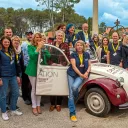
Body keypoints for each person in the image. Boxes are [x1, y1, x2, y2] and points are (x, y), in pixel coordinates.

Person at [67, 40, 91, 122]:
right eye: (77, 45)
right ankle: (72, 113)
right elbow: (73, 66)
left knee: (74, 87)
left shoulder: (87, 54)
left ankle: (75, 98)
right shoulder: (73, 54)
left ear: (83, 46)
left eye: (81, 45)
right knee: (71, 92)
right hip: (72, 74)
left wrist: (87, 72)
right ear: (76, 47)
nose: (79, 46)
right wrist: (82, 75)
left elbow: (90, 65)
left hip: (82, 74)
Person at [0, 36, 23, 121]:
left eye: (8, 42)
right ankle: (4, 112)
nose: (7, 43)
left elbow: (16, 64)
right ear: (2, 43)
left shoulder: (12, 51)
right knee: (3, 95)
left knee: (16, 93)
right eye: (5, 42)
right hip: (3, 77)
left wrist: (17, 75)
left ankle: (13, 109)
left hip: (13, 76)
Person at [49, 30, 70, 112]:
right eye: (58, 35)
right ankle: (52, 104)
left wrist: (63, 64)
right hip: (53, 67)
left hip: (61, 68)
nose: (60, 37)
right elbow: (47, 56)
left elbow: (68, 57)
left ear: (63, 37)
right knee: (52, 85)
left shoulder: (65, 45)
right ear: (56, 36)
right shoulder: (51, 45)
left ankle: (58, 104)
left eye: (61, 36)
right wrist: (51, 63)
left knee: (60, 86)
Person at [25, 33, 44, 116]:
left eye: (39, 37)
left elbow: (48, 56)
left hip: (41, 70)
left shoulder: (43, 46)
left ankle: (38, 105)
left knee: (39, 88)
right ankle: (34, 106)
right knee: (34, 88)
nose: (38, 38)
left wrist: (44, 49)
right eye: (36, 37)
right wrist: (38, 48)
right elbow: (32, 56)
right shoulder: (30, 47)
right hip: (32, 70)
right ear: (34, 38)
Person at [21, 31, 33, 105]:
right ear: (26, 36)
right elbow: (22, 55)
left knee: (31, 83)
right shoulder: (24, 44)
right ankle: (25, 97)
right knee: (25, 83)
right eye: (28, 35)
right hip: (26, 66)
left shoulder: (34, 43)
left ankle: (31, 97)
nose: (30, 36)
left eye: (31, 35)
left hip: (33, 66)